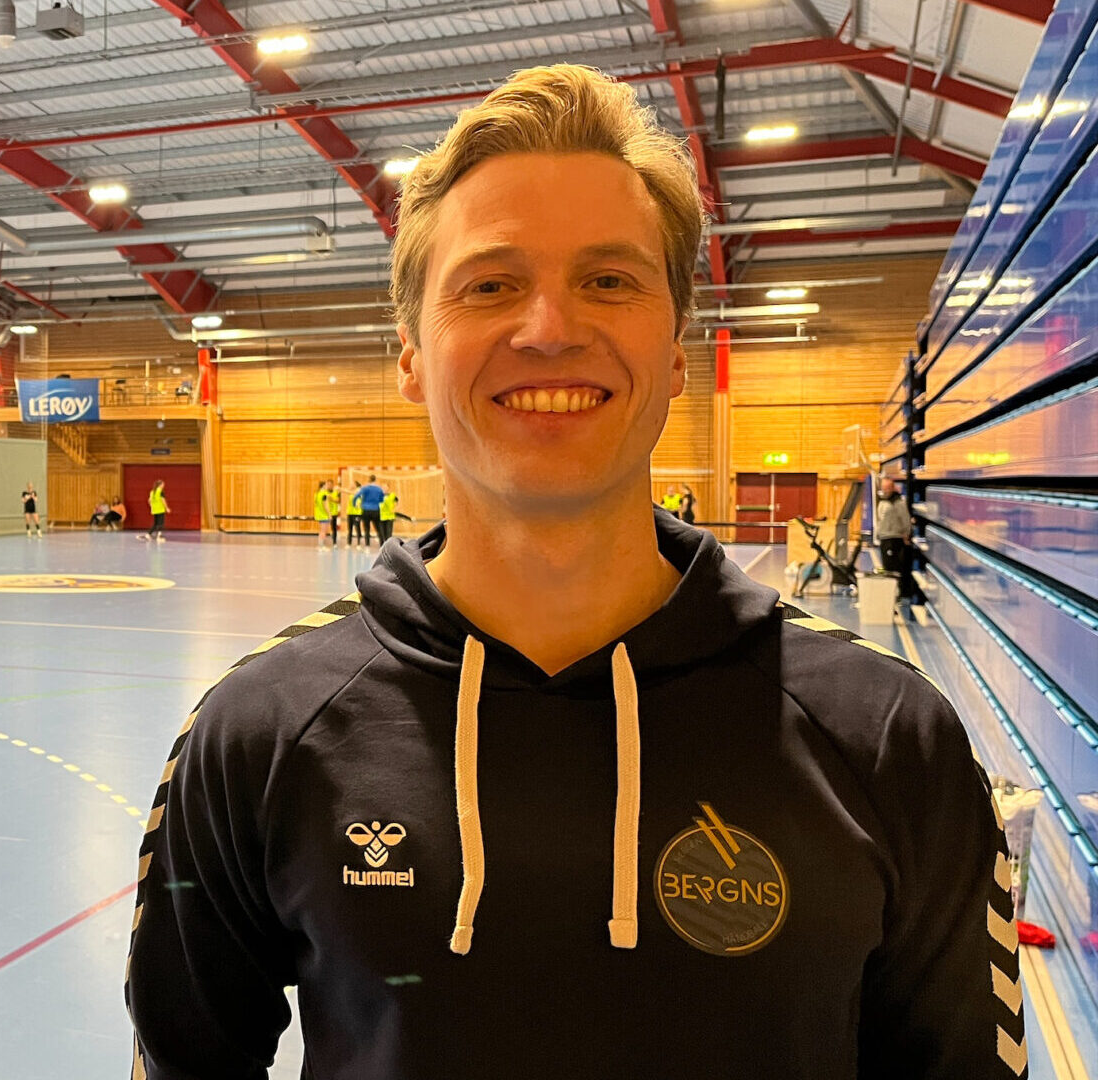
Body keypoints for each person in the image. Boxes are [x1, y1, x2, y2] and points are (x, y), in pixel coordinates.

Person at [127, 63, 1020, 1078]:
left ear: (676, 349)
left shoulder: (890, 741)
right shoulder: (258, 733)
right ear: (411, 354)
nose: (549, 329)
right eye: (491, 284)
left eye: (609, 280)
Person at [875, 476, 924, 604]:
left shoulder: (898, 503)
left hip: (894, 538)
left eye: (887, 488)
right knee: (887, 567)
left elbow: (905, 520)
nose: (885, 490)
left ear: (892, 488)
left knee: (894, 568)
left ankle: (898, 592)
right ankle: (890, 592)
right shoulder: (883, 501)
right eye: (883, 487)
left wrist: (906, 534)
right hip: (884, 538)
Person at [354, 473, 386, 546]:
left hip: (366, 510)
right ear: (375, 480)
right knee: (379, 529)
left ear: (369, 480)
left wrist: (354, 504)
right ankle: (382, 545)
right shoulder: (379, 489)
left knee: (366, 529)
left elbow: (356, 496)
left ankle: (367, 546)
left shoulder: (365, 488)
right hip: (376, 510)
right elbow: (381, 500)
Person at [313, 480, 335, 549]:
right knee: (323, 531)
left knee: (322, 531)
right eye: (326, 485)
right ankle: (321, 546)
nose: (327, 486)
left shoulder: (317, 494)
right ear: (323, 486)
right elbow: (326, 505)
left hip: (319, 515)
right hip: (324, 515)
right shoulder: (324, 494)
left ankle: (320, 546)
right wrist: (329, 514)